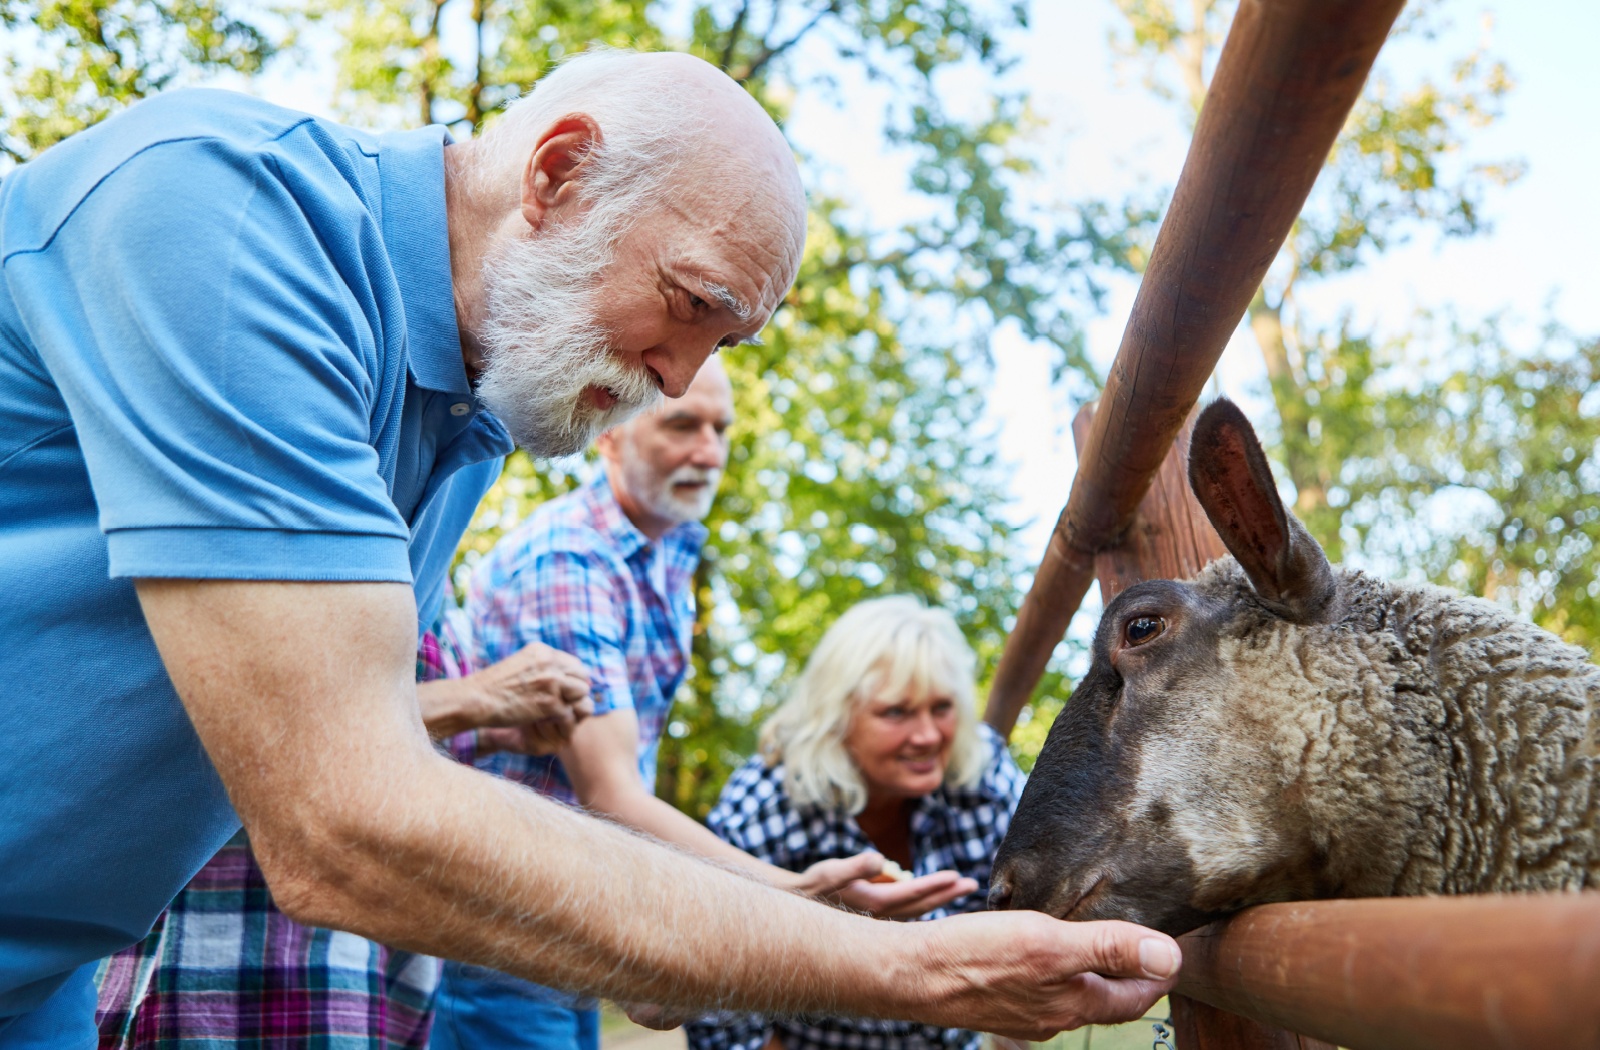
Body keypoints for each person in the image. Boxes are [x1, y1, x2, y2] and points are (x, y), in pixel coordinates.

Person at [0, 41, 1180, 1049]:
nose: (680, 377)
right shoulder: (228, 211)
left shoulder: (466, 411)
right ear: (558, 172)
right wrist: (923, 974)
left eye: (726, 344)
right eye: (688, 303)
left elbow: (318, 720)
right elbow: (339, 816)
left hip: (38, 974)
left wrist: (776, 901)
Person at [430, 362, 975, 1050]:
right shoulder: (572, 559)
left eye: (720, 428)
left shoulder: (662, 557)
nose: (709, 451)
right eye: (682, 424)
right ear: (608, 435)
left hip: (564, 907)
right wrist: (790, 893)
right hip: (498, 914)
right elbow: (612, 792)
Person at [92, 615, 591, 1050]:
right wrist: (477, 697)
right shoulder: (281, 520)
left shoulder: (424, 549)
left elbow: (383, 747)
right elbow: (232, 719)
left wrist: (493, 732)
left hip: (362, 983)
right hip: (219, 981)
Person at [684, 597, 1026, 1050]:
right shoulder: (768, 800)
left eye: (941, 708)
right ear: (837, 717)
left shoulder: (981, 770)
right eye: (896, 712)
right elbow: (714, 984)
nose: (927, 735)